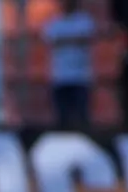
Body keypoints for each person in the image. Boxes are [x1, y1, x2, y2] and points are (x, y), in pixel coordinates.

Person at [42, 0, 95, 128]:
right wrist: (73, 40)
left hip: (81, 76)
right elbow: (51, 41)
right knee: (62, 117)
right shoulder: (55, 22)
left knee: (82, 115)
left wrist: (64, 40)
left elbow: (85, 39)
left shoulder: (84, 20)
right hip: (60, 76)